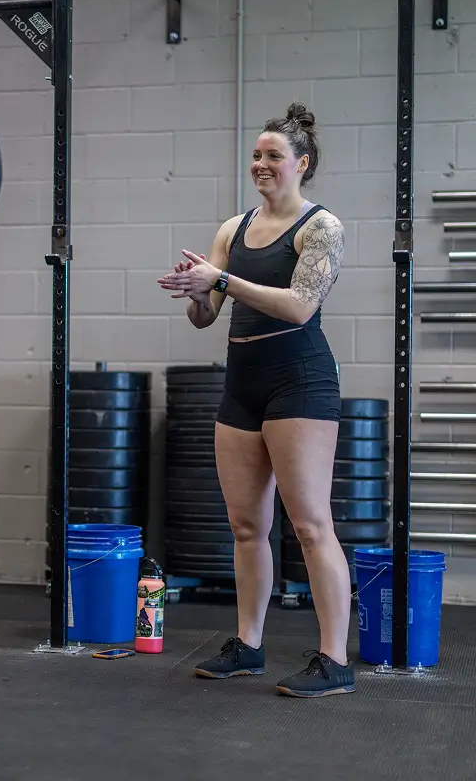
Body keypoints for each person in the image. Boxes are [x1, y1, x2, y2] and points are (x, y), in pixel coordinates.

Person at [156, 102, 355, 699]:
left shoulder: (323, 227)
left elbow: (299, 306)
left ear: (302, 163)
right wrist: (196, 290)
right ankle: (247, 646)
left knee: (311, 525)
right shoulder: (232, 229)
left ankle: (334, 660)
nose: (262, 165)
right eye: (257, 155)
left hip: (300, 378)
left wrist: (219, 281)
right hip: (242, 381)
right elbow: (206, 317)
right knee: (246, 526)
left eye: (274, 156)